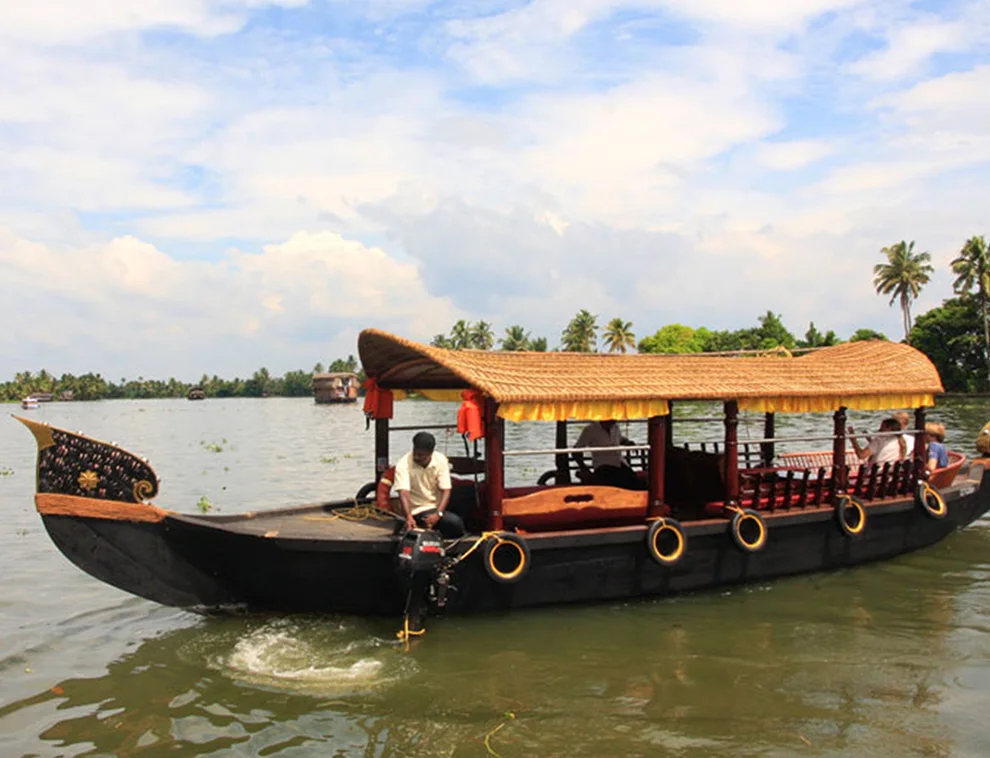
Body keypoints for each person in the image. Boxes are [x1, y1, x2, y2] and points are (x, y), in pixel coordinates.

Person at [393, 431, 465, 538]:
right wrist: (408, 517)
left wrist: (438, 514)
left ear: (430, 453)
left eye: (421, 455)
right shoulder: (403, 464)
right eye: (415, 453)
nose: (417, 457)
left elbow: (446, 490)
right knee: (455, 523)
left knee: (467, 494)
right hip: (418, 510)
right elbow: (403, 493)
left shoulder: (440, 460)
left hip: (437, 508)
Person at [571, 420, 641, 489]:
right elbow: (576, 450)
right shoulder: (590, 429)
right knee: (617, 485)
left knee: (637, 484)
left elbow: (619, 439)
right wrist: (584, 467)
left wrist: (629, 443)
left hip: (620, 464)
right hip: (603, 467)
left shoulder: (615, 427)